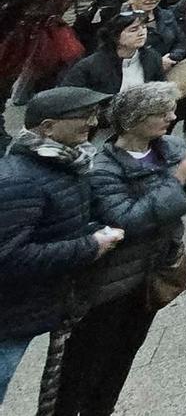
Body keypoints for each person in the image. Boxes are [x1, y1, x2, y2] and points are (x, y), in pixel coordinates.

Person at [58, 83, 186, 416]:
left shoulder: (169, 146)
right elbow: (127, 220)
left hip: (153, 272)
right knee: (88, 362)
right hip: (111, 283)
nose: (172, 118)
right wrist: (180, 178)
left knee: (124, 354)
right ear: (133, 121)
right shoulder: (104, 168)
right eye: (161, 113)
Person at [0, 87, 123, 404]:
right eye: (81, 116)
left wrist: (94, 230)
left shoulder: (69, 163)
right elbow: (9, 257)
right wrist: (90, 246)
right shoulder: (20, 179)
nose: (91, 122)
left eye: (92, 114)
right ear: (48, 127)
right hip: (10, 316)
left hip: (32, 306)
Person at [59, 12, 164, 96]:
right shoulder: (90, 65)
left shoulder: (152, 57)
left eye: (144, 27)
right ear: (115, 36)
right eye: (133, 30)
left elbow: (160, 88)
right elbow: (65, 95)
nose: (142, 33)